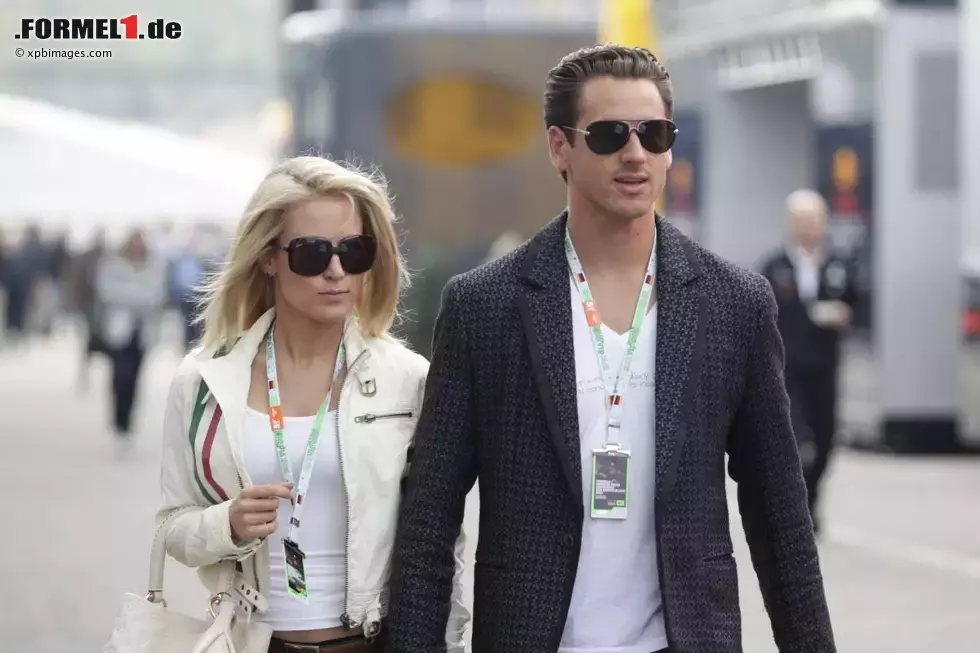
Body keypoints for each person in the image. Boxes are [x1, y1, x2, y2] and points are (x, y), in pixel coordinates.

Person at [388, 44, 835, 653]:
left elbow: (779, 513)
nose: (634, 153)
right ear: (559, 147)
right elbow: (429, 515)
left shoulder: (734, 303)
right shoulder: (486, 305)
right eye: (607, 134)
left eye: (653, 134)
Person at [156, 156, 469, 653]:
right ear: (267, 257)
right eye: (311, 253)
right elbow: (172, 525)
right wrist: (228, 523)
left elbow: (441, 545)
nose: (336, 271)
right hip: (253, 642)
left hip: (370, 641)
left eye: (354, 251)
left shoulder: (408, 382)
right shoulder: (204, 382)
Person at [759, 190, 859, 533]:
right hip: (786, 366)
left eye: (815, 220)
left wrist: (845, 315)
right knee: (798, 439)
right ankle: (793, 507)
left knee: (825, 436)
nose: (809, 227)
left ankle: (812, 498)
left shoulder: (838, 265)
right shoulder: (774, 266)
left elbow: (857, 304)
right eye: (802, 220)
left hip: (825, 364)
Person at [94, 228, 167, 436]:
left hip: (142, 333)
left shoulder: (154, 266)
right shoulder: (113, 265)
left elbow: (156, 295)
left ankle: (128, 419)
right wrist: (136, 293)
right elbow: (107, 292)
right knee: (119, 376)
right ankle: (117, 416)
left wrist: (130, 293)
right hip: (119, 330)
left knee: (135, 377)